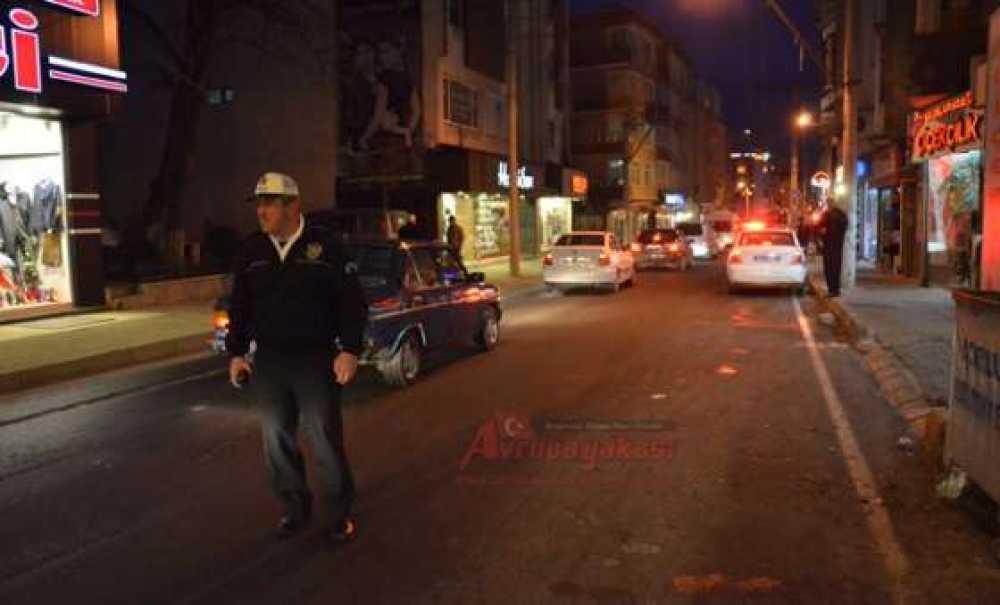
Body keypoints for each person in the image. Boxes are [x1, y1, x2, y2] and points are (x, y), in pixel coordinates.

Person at [227, 172, 367, 543]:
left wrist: (350, 350)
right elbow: (239, 306)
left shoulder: (325, 247)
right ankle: (294, 507)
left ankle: (338, 514)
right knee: (275, 439)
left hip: (315, 358)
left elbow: (352, 302)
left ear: (293, 205)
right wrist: (237, 352)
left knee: (322, 436)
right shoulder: (252, 251)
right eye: (258, 203)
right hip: (271, 360)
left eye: (270, 202)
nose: (261, 211)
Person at [819, 205, 849, 297]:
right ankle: (834, 289)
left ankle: (833, 290)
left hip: (831, 247)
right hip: (835, 248)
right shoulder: (840, 216)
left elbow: (821, 230)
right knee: (834, 269)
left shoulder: (830, 216)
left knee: (830, 269)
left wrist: (823, 236)